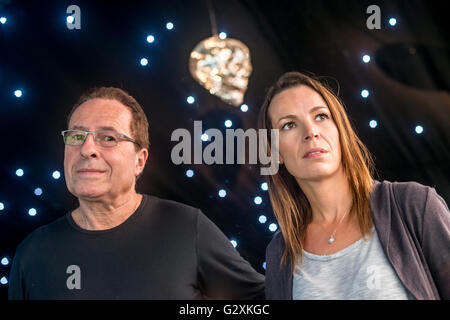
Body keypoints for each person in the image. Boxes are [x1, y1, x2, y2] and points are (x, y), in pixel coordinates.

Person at [8, 87, 265, 299]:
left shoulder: (185, 227)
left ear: (139, 162)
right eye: (76, 136)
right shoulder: (33, 252)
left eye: (107, 138)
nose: (87, 149)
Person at [258, 71, 450, 300]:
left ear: (340, 129)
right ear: (274, 152)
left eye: (320, 116)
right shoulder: (279, 254)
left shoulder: (414, 205)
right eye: (289, 125)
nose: (311, 132)